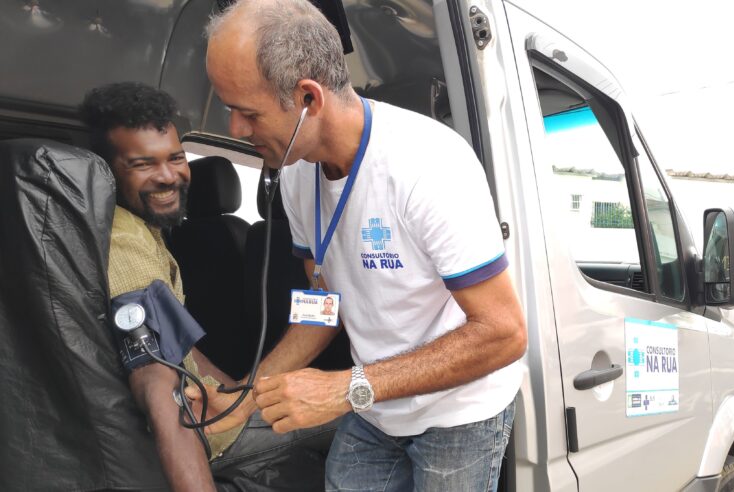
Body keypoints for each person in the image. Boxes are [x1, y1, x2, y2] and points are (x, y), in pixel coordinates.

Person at [192, 0, 528, 490]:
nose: (235, 131)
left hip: (460, 412)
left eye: (247, 113)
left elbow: (504, 333)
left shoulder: (427, 166)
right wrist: (250, 392)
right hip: (374, 408)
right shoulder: (296, 173)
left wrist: (345, 388)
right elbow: (323, 302)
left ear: (309, 98)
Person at [79, 82, 335, 492]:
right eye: (143, 164)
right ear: (108, 172)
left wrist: (234, 392)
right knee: (367, 419)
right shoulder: (125, 244)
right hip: (204, 436)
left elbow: (182, 349)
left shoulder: (148, 232)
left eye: (177, 158)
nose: (168, 176)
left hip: (214, 414)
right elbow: (158, 380)